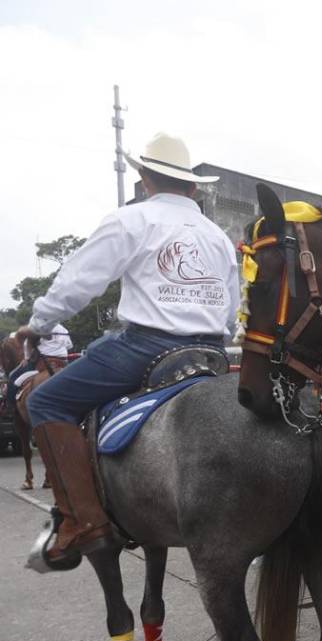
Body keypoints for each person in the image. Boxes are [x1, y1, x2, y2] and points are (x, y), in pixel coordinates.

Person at [19, 133, 238, 566]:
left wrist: (39, 322)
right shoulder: (218, 237)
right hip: (212, 354)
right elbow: (231, 313)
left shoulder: (132, 220)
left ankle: (82, 521)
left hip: (146, 348)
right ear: (192, 187)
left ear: (145, 179)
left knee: (45, 401)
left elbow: (79, 281)